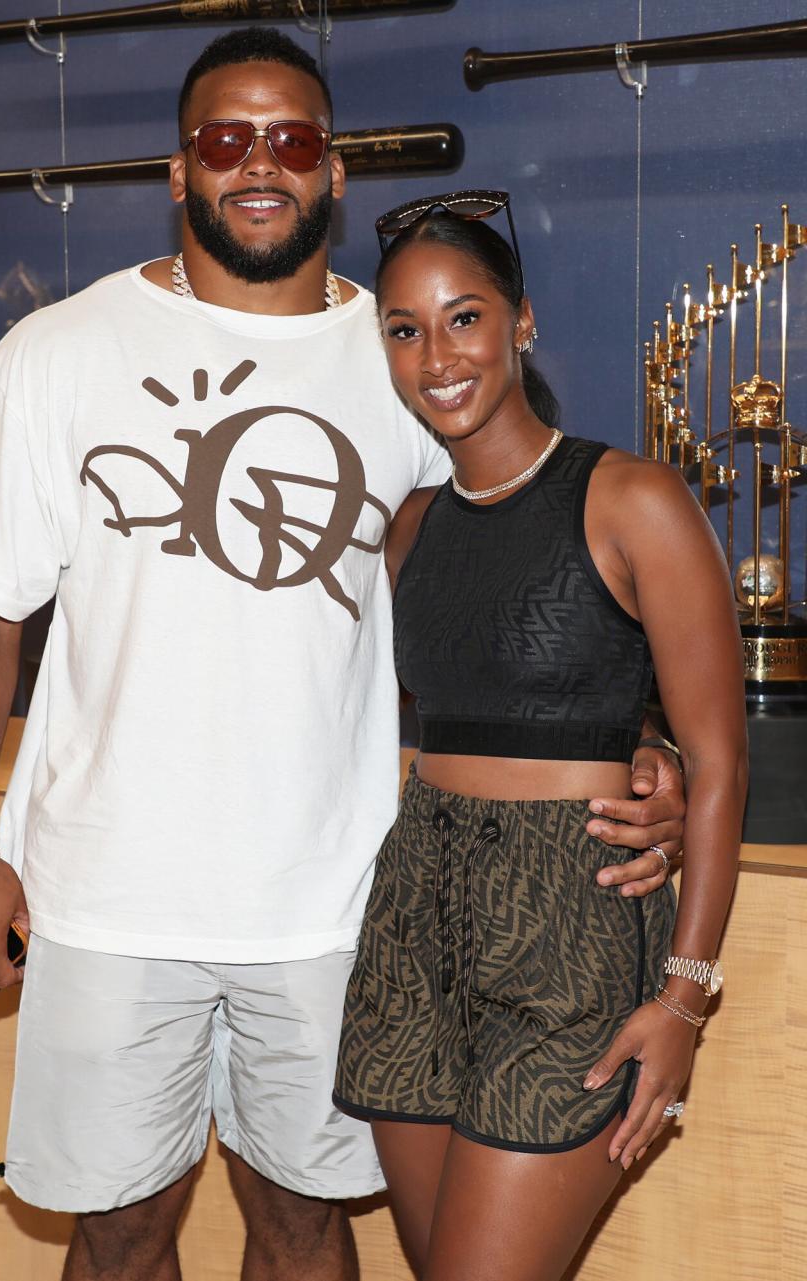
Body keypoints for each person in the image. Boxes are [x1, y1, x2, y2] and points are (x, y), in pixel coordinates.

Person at [0, 31, 685, 1281]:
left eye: (293, 140)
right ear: (181, 171)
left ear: (334, 171)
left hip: (338, 904)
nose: (259, 164)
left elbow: (534, 570)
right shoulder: (55, 354)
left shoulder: (406, 361)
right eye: (227, 139)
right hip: (106, 901)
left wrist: (641, 740)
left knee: (306, 1223)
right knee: (118, 1235)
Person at [333, 195, 748, 1281]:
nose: (437, 356)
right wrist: (636, 726)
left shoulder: (635, 499)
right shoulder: (410, 528)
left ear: (522, 322)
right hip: (415, 920)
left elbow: (717, 762)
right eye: (405, 329)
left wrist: (685, 1000)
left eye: (464, 318)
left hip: (570, 934)